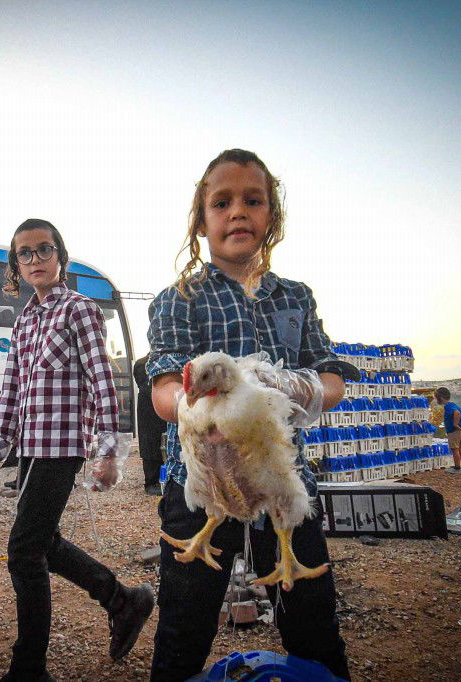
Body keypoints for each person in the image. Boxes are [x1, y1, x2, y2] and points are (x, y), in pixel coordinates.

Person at [147, 149, 354, 682]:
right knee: (183, 627)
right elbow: (164, 391)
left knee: (313, 623)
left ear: (271, 218)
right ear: (202, 222)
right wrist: (200, 412)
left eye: (252, 200)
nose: (238, 212)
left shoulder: (296, 298)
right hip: (200, 482)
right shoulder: (179, 300)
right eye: (222, 202)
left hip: (283, 480)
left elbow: (332, 376)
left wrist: (301, 387)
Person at [0, 218, 154, 682]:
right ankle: (122, 600)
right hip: (31, 446)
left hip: (63, 445)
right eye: (24, 253)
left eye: (43, 250)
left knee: (23, 551)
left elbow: (102, 377)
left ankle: (29, 666)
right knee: (43, 542)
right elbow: (12, 389)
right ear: (16, 264)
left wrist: (109, 449)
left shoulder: (80, 309)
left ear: (61, 258)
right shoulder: (25, 319)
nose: (35, 259)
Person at [134, 355, 166, 495]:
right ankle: (151, 481)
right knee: (150, 444)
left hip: (161, 407)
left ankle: (162, 479)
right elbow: (144, 386)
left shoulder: (163, 361)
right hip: (149, 409)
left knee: (160, 443)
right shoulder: (142, 364)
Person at [435, 387, 461, 472]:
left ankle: (456, 468)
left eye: (436, 397)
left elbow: (457, 413)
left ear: (441, 398)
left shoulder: (448, 406)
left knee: (455, 449)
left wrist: (455, 424)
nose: (436, 400)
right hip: (460, 430)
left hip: (454, 431)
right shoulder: (454, 404)